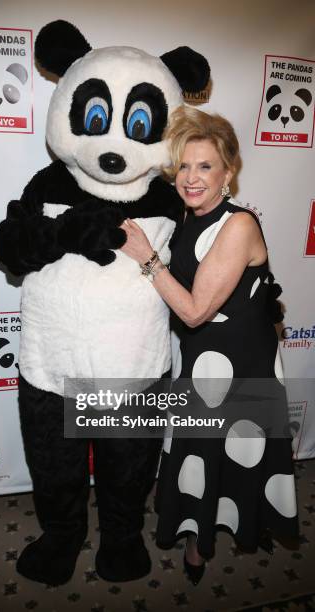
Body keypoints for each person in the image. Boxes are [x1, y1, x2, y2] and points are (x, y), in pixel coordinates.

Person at [120, 105, 298, 585]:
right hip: (199, 358)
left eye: (205, 166)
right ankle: (204, 535)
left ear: (229, 173)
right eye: (184, 165)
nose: (192, 177)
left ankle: (210, 542)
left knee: (230, 449)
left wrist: (147, 258)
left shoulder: (238, 225)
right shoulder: (185, 217)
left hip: (238, 362)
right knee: (201, 450)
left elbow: (196, 309)